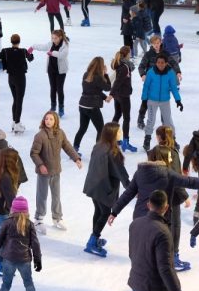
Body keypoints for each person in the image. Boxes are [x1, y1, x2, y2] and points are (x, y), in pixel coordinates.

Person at [128, 190, 187, 291]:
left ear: (148, 205)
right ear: (166, 207)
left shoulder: (135, 224)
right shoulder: (162, 232)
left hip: (139, 285)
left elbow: (132, 254)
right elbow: (165, 269)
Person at [30, 111, 82, 234]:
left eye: (51, 119)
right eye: (46, 119)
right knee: (42, 196)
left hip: (56, 170)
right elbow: (34, 153)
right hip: (44, 172)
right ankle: (39, 218)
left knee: (56, 196)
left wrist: (76, 158)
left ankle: (57, 217)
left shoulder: (60, 133)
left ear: (56, 121)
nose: (48, 121)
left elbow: (67, 146)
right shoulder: (40, 135)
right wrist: (40, 165)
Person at [82, 122, 129, 257]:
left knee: (98, 210)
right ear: (113, 134)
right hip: (103, 187)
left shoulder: (98, 146)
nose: (121, 133)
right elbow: (121, 173)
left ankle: (94, 238)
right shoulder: (113, 152)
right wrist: (131, 187)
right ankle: (92, 242)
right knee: (105, 212)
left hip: (93, 186)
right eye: (119, 131)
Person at [141, 55, 183, 152]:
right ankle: (147, 139)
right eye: (158, 62)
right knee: (151, 120)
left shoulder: (170, 73)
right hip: (152, 100)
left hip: (165, 101)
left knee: (168, 121)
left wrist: (178, 100)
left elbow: (173, 87)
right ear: (156, 63)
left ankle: (172, 139)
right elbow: (146, 86)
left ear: (166, 63)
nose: (160, 64)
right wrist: (144, 100)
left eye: (162, 62)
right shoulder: (151, 72)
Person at [73, 56, 111, 153]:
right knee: (101, 129)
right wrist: (106, 74)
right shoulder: (98, 77)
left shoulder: (86, 74)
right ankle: (97, 152)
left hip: (82, 105)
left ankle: (74, 150)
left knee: (82, 129)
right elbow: (108, 87)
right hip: (92, 107)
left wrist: (104, 97)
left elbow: (92, 90)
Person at [31, 29, 70, 117]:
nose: (53, 40)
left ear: (60, 37)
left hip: (61, 71)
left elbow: (62, 55)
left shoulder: (65, 45)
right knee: (53, 88)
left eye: (55, 38)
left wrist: (52, 53)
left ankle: (61, 107)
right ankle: (53, 106)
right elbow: (43, 47)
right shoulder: (50, 44)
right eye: (52, 38)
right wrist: (33, 47)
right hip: (51, 70)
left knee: (59, 89)